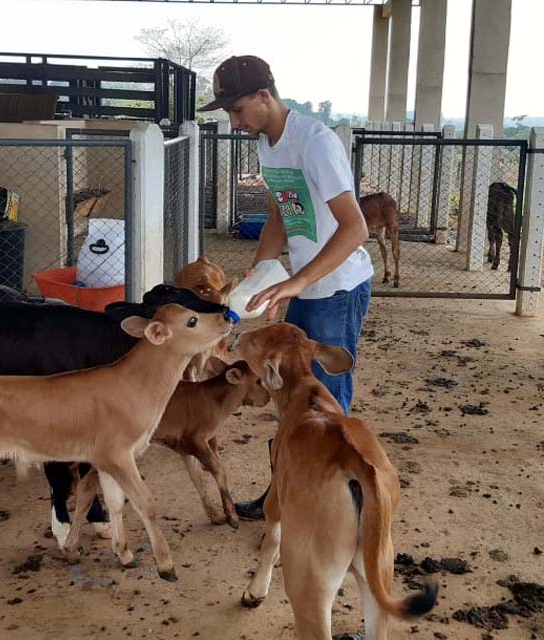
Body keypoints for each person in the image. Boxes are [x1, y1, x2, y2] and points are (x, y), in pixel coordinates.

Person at [199, 55, 374, 520]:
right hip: (304, 288)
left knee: (326, 408)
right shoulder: (268, 146)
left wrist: (294, 282)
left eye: (237, 111)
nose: (234, 123)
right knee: (292, 401)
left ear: (264, 96)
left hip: (335, 291)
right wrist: (263, 277)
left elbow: (355, 229)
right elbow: (280, 215)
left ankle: (340, 510)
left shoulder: (314, 142)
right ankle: (283, 497)